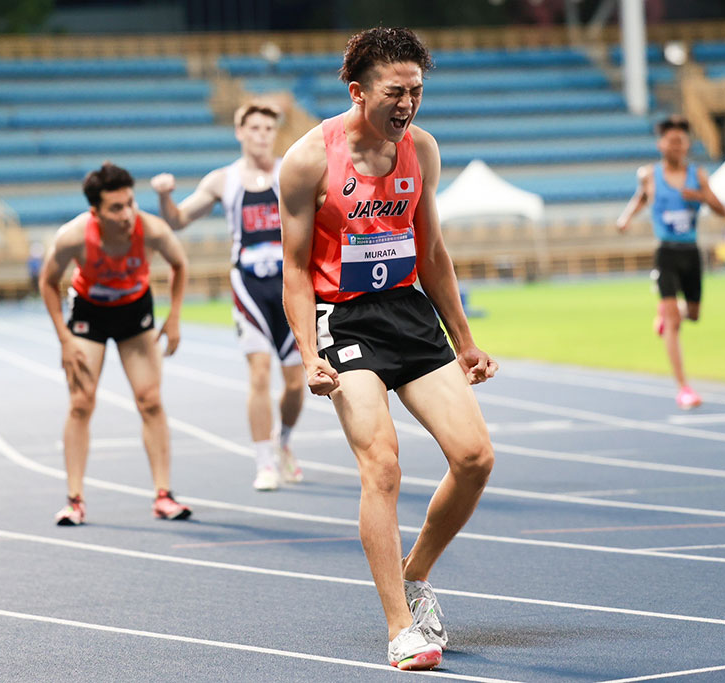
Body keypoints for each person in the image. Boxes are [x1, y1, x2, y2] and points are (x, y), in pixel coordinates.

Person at [279, 27, 497, 671]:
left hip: (407, 312)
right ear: (357, 92)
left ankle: (416, 574)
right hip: (341, 320)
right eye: (395, 93)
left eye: (417, 91)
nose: (408, 105)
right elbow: (293, 270)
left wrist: (465, 339)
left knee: (476, 457)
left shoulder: (422, 150)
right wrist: (305, 350)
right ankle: (402, 627)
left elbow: (431, 252)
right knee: (383, 465)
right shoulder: (308, 161)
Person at [150, 101, 305, 492]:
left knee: (295, 384)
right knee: (258, 375)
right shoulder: (224, 180)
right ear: (240, 132)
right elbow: (177, 220)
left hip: (290, 285)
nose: (261, 135)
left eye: (268, 129)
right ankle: (264, 462)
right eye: (253, 128)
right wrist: (165, 196)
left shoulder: (292, 170)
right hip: (249, 287)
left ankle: (283, 442)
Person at [39, 162, 192, 525]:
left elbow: (180, 264)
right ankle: (74, 500)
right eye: (116, 208)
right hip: (88, 312)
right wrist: (64, 338)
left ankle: (163, 496)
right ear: (96, 211)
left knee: (150, 400)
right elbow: (48, 281)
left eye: (130, 203)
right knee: (80, 403)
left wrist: (173, 318)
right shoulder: (73, 237)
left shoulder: (151, 230)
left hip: (133, 310)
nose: (127, 215)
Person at [617, 115, 725, 409]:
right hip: (665, 252)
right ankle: (683, 388)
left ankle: (669, 313)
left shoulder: (698, 175)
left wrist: (701, 196)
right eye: (671, 140)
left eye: (681, 141)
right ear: (661, 144)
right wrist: (626, 217)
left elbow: (722, 210)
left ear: (687, 145)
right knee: (674, 322)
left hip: (691, 252)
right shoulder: (649, 175)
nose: (676, 145)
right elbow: (641, 197)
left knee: (692, 314)